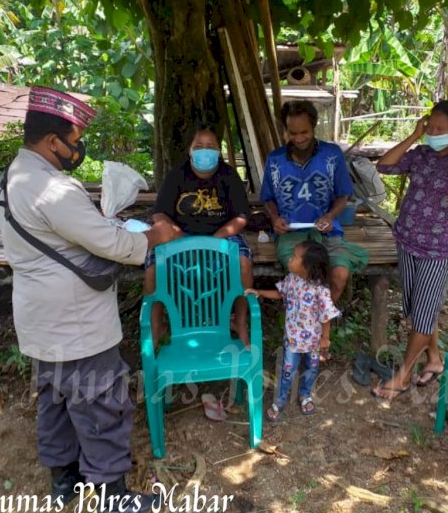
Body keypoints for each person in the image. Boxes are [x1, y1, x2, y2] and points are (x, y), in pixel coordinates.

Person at [0, 86, 180, 513]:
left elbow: (65, 234)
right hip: (74, 320)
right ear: (52, 141)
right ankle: (113, 500)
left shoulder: (12, 176)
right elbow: (111, 242)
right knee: (100, 402)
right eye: (74, 141)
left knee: (55, 400)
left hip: (40, 316)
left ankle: (64, 480)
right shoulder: (49, 186)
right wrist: (154, 237)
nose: (77, 149)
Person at [372, 99, 448, 401]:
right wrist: (413, 136)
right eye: (430, 125)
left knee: (423, 313)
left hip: (438, 249)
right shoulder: (421, 154)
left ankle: (404, 376)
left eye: (440, 128)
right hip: (407, 239)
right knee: (418, 308)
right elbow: (384, 165)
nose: (432, 132)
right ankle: (433, 359)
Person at [144, 123, 253, 347]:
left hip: (221, 236)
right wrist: (179, 236)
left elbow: (241, 217)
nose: (205, 150)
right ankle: (156, 326)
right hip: (180, 236)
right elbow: (159, 215)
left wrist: (213, 241)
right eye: (199, 146)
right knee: (154, 267)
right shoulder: (177, 174)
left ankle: (240, 321)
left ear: (218, 151)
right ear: (190, 150)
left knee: (243, 262)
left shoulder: (229, 176)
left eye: (211, 146)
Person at [260, 100, 369, 308]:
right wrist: (275, 218)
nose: (299, 138)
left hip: (327, 229)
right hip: (290, 232)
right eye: (292, 133)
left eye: (304, 132)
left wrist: (329, 216)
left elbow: (343, 195)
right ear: (285, 131)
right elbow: (268, 198)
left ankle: (320, 324)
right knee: (299, 274)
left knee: (339, 273)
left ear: (314, 127)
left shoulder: (332, 154)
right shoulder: (275, 160)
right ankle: (302, 323)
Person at [245, 240, 340, 420]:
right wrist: (260, 292)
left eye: (294, 257)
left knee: (311, 370)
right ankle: (280, 400)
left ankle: (305, 395)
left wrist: (325, 339)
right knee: (287, 371)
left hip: (313, 342)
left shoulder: (321, 291)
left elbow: (326, 316)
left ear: (308, 266)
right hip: (292, 339)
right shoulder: (292, 280)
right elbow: (281, 294)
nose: (289, 259)